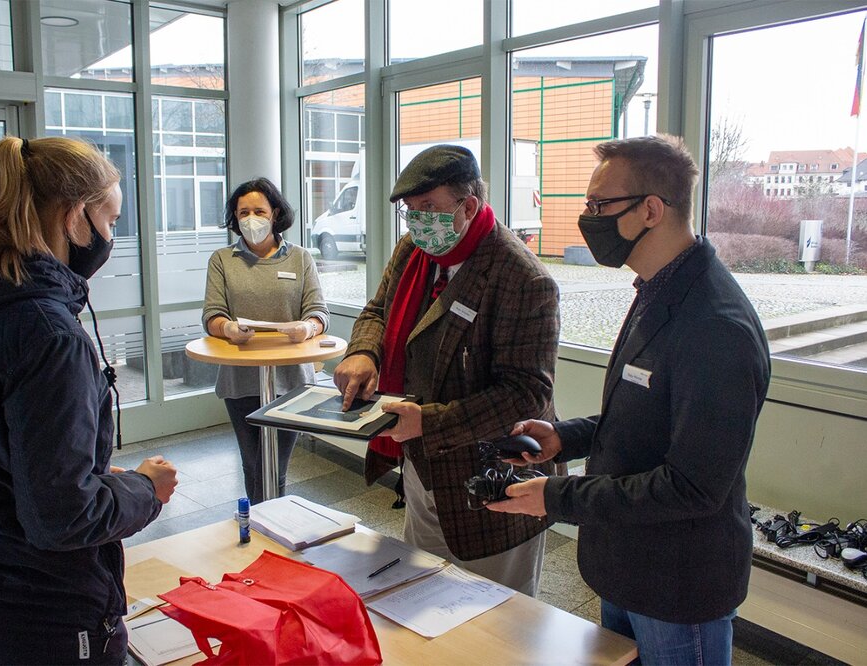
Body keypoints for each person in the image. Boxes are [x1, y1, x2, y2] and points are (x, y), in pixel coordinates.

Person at [487, 134, 771, 664]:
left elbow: (692, 487)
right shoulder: (659, 288)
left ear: (651, 210)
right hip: (627, 561)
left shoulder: (715, 325)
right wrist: (563, 437)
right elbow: (644, 413)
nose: (587, 218)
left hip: (678, 584)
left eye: (600, 205)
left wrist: (558, 496)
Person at [0, 135, 179, 664]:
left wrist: (87, 474)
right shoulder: (48, 333)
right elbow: (62, 518)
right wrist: (146, 489)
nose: (110, 237)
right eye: (111, 222)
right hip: (35, 612)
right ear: (75, 217)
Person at [333, 145, 560, 595]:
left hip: (493, 477)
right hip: (424, 464)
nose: (418, 221)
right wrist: (364, 352)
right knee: (427, 594)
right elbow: (379, 309)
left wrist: (429, 423)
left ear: (469, 205)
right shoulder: (413, 250)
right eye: (411, 211)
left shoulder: (522, 278)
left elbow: (525, 393)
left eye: (429, 208)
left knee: (497, 616)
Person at [202, 177, 329, 505]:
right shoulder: (221, 260)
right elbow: (212, 316)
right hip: (240, 379)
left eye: (259, 210)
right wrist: (228, 329)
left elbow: (318, 312)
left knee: (276, 467)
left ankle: (268, 527)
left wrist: (308, 328)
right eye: (243, 212)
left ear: (275, 213)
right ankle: (261, 526)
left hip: (291, 380)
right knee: (253, 463)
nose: (251, 219)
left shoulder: (300, 258)